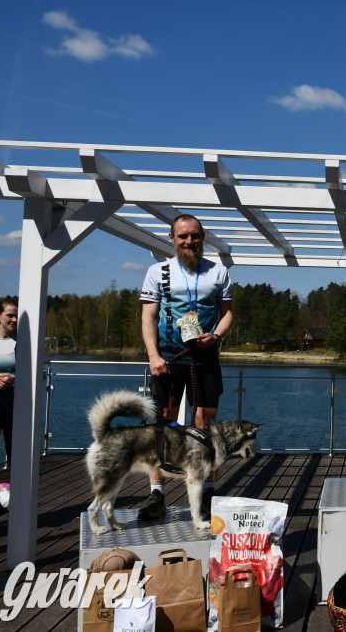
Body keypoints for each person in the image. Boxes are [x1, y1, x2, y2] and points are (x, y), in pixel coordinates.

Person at [138, 214, 233, 520]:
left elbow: (228, 314)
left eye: (195, 236)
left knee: (205, 429)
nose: (189, 242)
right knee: (159, 430)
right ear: (171, 238)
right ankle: (156, 495)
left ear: (202, 237)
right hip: (167, 360)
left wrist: (215, 336)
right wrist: (153, 355)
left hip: (204, 360)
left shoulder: (218, 271)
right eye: (183, 237)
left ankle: (208, 491)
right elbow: (148, 317)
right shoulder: (158, 271)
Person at [0, 298, 18, 476]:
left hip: (15, 409)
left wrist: (15, 378)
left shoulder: (22, 342)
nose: (14, 319)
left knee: (17, 455)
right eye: (10, 315)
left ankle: (18, 499)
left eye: (16, 316)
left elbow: (39, 374)